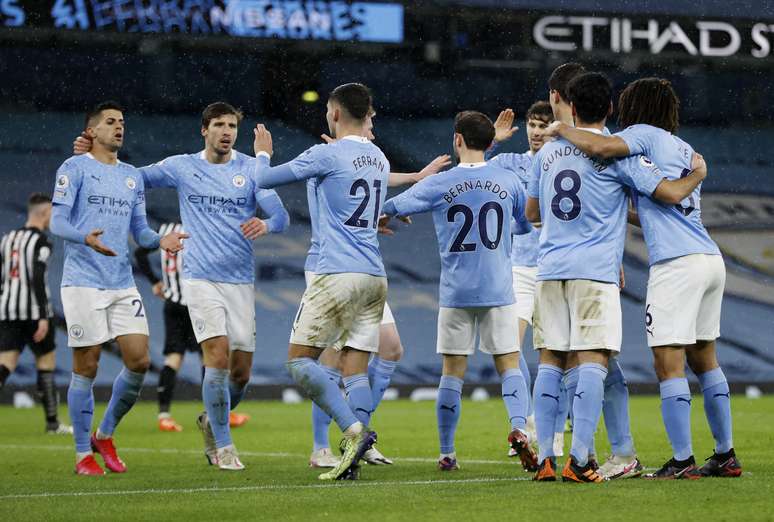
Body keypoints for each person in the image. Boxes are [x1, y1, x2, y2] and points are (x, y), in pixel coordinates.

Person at [74, 102, 290, 470]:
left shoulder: (252, 170)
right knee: (217, 358)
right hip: (200, 278)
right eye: (219, 125)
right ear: (204, 130)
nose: (226, 132)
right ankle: (223, 446)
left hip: (239, 281)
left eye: (232, 126)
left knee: (240, 374)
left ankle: (211, 420)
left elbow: (282, 216)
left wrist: (266, 226)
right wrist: (91, 158)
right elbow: (129, 178)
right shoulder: (181, 166)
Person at [546, 76, 739, 479]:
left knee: (668, 364)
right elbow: (659, 207)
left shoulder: (642, 136)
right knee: (705, 361)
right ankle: (725, 454)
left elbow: (600, 146)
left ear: (634, 108)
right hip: (708, 258)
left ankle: (683, 460)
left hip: (676, 264)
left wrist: (562, 127)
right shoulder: (682, 147)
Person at [381, 110, 537, 472]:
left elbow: (396, 204)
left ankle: (447, 453)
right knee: (510, 364)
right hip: (499, 287)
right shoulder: (509, 180)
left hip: (456, 291)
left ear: (457, 140)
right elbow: (524, 227)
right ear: (489, 142)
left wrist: (388, 215)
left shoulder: (441, 183)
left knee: (452, 372)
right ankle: (518, 428)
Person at [253, 83, 389, 481]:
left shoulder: (325, 154)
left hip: (337, 273)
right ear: (368, 115)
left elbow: (264, 179)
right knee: (357, 370)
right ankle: (354, 459)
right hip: (375, 275)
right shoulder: (378, 157)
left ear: (333, 114)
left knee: (299, 361)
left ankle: (353, 433)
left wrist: (263, 151)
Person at [51, 101, 186, 476]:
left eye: (122, 122)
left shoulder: (131, 176)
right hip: (82, 282)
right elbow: (57, 221)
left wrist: (160, 240)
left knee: (139, 361)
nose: (119, 127)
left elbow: (139, 230)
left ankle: (104, 433)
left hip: (121, 281)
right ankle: (82, 455)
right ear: (91, 131)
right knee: (87, 366)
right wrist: (84, 238)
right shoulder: (73, 168)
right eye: (110, 122)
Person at [308, 119, 451, 469]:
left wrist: (410, 184)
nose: (372, 133)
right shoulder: (323, 162)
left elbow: (365, 197)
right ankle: (320, 447)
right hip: (327, 267)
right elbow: (344, 207)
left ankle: (359, 438)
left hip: (363, 270)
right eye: (369, 126)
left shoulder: (361, 164)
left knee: (390, 348)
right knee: (332, 357)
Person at [542, 62, 642, 480]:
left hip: (549, 268)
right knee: (593, 359)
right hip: (593, 269)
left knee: (551, 360)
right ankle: (580, 460)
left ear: (569, 105)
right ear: (612, 106)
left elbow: (532, 210)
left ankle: (546, 457)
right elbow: (656, 199)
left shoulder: (547, 151)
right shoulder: (618, 151)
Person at [486, 101, 567, 460]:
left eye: (542, 125)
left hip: (554, 266)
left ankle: (553, 427)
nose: (535, 131)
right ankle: (527, 422)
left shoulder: (564, 163)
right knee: (507, 346)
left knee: (556, 353)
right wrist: (491, 142)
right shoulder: (508, 163)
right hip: (518, 267)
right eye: (532, 124)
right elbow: (468, 173)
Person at [0, 193, 72, 435]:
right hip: (34, 311)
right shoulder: (41, 242)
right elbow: (37, 278)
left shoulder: (8, 238)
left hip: (8, 310)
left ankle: (53, 423)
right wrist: (42, 315)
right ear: (44, 213)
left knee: (5, 364)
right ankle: (53, 423)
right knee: (46, 363)